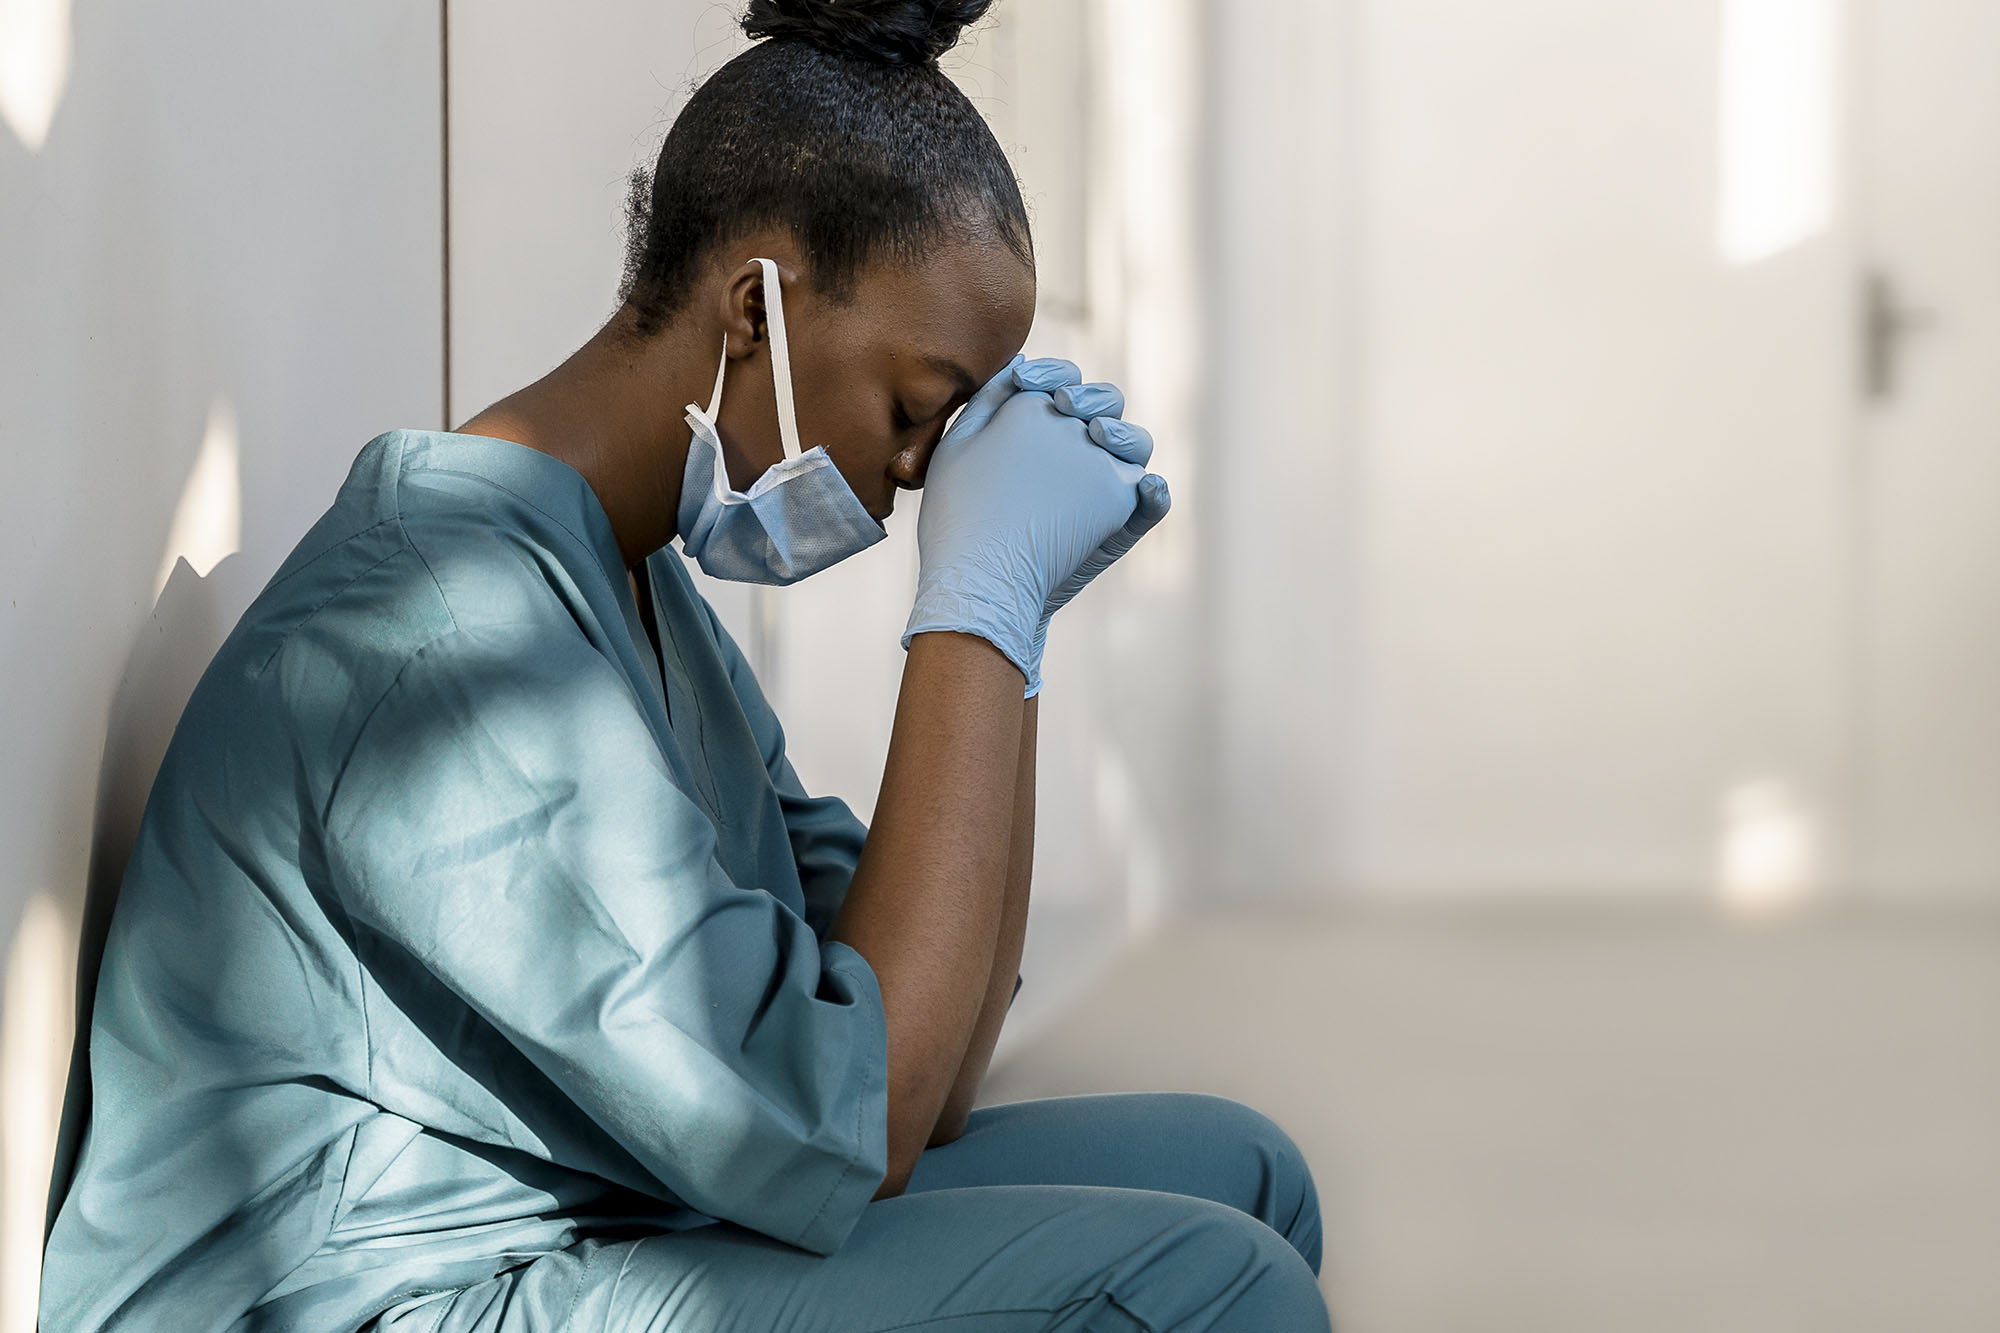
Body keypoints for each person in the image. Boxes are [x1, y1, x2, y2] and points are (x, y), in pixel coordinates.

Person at [39, 1, 1330, 1328]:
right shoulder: (443, 635)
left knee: (1247, 1176)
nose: (917, 480)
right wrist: (976, 603)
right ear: (754, 305)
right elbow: (861, 1114)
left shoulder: (633, 582)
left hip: (584, 1218)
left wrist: (1023, 620)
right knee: (1211, 1283)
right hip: (378, 1290)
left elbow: (929, 1067)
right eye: (917, 411)